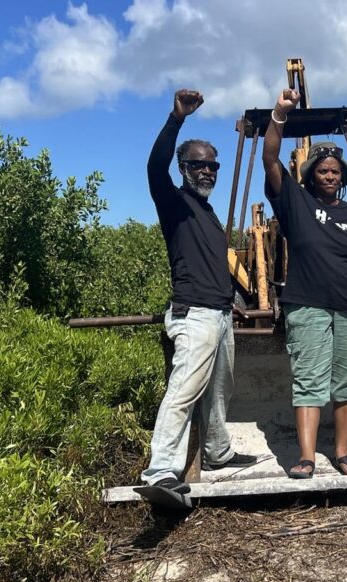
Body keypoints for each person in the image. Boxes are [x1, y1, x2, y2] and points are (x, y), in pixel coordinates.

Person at [262, 88, 347, 479]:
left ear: (342, 176)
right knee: (311, 380)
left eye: (335, 171)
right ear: (311, 175)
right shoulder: (297, 203)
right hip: (309, 305)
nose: (329, 175)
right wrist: (280, 115)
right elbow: (269, 158)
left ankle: (342, 452)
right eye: (322, 170)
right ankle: (306, 456)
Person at [139, 88, 257, 496]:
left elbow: (212, 266)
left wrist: (233, 303)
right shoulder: (174, 202)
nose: (207, 172)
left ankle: (217, 451)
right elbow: (155, 167)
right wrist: (177, 119)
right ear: (184, 168)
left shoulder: (206, 214)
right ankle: (160, 472)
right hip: (195, 313)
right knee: (185, 389)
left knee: (221, 389)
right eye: (198, 165)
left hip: (220, 312)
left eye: (213, 166)